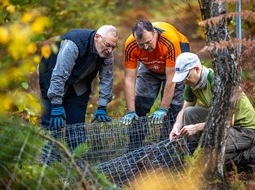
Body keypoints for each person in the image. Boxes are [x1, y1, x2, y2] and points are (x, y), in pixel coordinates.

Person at [38, 25, 118, 164]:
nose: (110, 50)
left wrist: (102, 106)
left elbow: (107, 78)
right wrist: (56, 104)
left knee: (76, 125)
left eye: (113, 47)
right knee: (52, 123)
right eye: (107, 45)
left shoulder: (107, 52)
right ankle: (50, 164)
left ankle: (77, 164)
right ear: (97, 38)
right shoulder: (74, 44)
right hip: (51, 77)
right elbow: (59, 75)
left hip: (77, 83)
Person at [169, 52, 255, 170]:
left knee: (210, 154)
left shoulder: (218, 81)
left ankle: (251, 154)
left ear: (197, 69)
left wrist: (197, 127)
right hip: (222, 123)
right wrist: (176, 126)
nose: (183, 82)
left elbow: (228, 121)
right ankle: (197, 156)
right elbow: (184, 110)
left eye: (186, 76)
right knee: (188, 113)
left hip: (244, 130)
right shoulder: (191, 84)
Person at [121, 19, 190, 151]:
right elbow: (129, 79)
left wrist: (163, 108)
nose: (146, 47)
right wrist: (131, 111)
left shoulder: (169, 40)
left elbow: (171, 78)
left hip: (175, 66)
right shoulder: (130, 45)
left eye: (148, 42)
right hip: (149, 66)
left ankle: (166, 147)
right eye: (141, 45)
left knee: (173, 108)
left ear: (154, 33)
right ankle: (134, 147)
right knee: (140, 103)